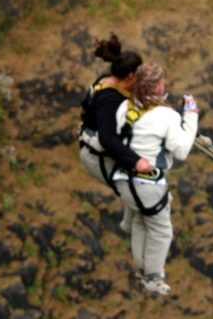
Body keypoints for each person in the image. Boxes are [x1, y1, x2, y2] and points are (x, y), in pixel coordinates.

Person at [112, 63, 199, 295]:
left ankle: (143, 270)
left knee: (142, 221)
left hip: (124, 181)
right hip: (148, 184)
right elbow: (180, 150)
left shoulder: (124, 108)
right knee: (161, 231)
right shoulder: (167, 116)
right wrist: (190, 116)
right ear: (159, 86)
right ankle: (153, 277)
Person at [79, 34, 152, 232]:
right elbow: (107, 138)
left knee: (139, 182)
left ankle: (133, 220)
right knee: (143, 186)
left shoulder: (110, 81)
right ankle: (133, 224)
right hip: (97, 156)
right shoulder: (109, 99)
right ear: (130, 76)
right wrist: (136, 160)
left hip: (97, 146)